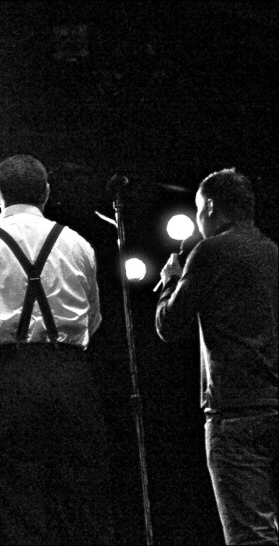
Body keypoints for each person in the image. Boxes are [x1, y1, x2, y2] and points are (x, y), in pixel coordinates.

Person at [0, 154, 114, 544]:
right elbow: (94, 320)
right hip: (71, 377)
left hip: (7, 383)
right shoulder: (78, 244)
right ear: (47, 193)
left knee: (19, 510)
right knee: (81, 505)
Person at [155, 168, 277, 545]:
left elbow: (169, 325)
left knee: (250, 536)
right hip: (275, 404)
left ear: (209, 206)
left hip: (234, 415)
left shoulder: (209, 251)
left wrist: (171, 280)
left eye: (197, 208)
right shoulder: (272, 251)